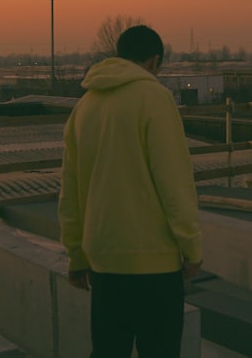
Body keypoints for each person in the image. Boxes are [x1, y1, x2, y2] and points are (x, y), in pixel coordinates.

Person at [58, 24, 203, 358]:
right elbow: (174, 182)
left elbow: (71, 192)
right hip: (154, 264)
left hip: (104, 263)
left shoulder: (85, 107)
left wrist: (76, 255)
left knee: (108, 352)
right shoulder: (155, 99)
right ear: (154, 61)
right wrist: (191, 246)